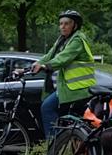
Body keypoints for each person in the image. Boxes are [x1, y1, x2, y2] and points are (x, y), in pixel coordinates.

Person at [30, 9, 97, 137]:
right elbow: (50, 55)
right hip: (67, 88)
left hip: (78, 89)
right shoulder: (62, 40)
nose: (62, 27)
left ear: (75, 26)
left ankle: (54, 145)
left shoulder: (77, 40)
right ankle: (64, 142)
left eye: (66, 23)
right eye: (61, 24)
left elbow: (63, 58)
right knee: (67, 120)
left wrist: (46, 66)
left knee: (47, 107)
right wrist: (33, 65)